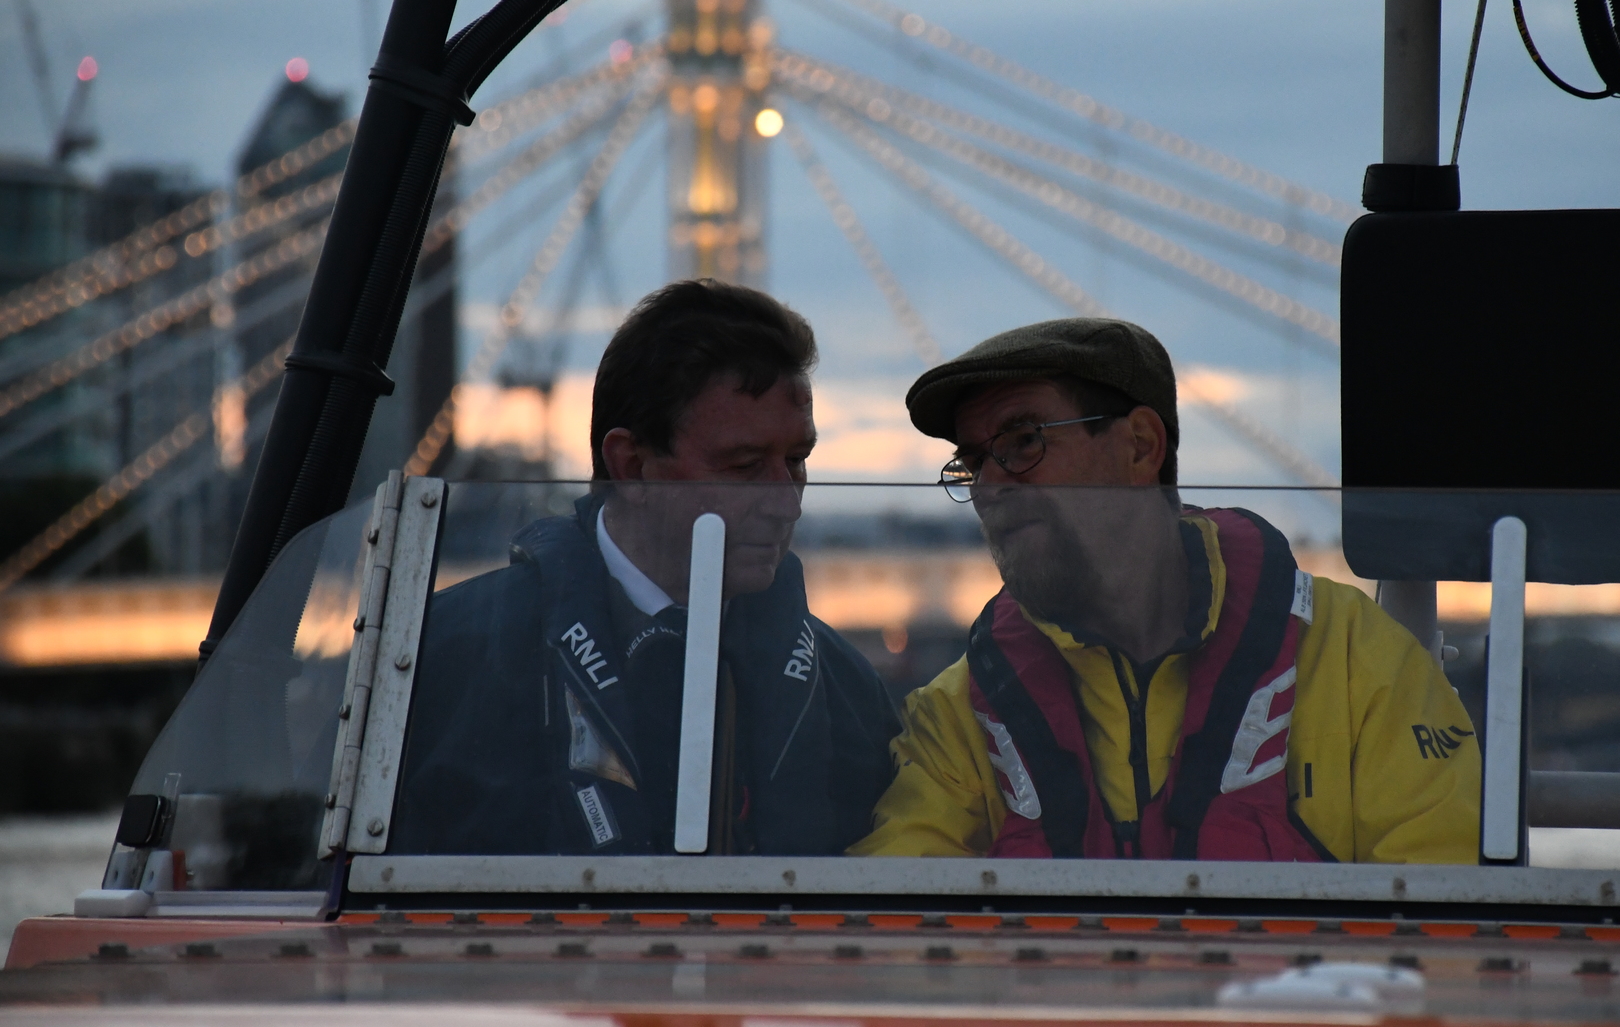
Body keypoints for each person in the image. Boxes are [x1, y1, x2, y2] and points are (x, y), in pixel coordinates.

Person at [850, 318, 1479, 863]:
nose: (988, 487)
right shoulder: (955, 717)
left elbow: (1448, 932)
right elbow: (887, 917)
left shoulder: (1358, 666)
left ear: (1141, 447)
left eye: (1023, 441)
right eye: (972, 463)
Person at [394, 281, 899, 856]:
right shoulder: (446, 657)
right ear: (630, 466)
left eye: (797, 461)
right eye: (744, 466)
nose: (787, 501)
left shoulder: (848, 689)